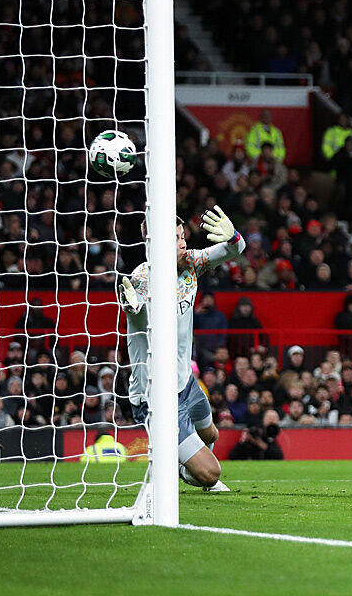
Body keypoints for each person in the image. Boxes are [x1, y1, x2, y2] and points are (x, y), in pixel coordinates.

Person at [118, 208, 244, 492]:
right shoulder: (141, 279)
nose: (183, 242)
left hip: (185, 382)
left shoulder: (189, 264)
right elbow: (137, 315)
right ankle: (186, 468)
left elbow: (235, 250)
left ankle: (184, 463)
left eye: (182, 235)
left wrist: (233, 238)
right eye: (175, 238)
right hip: (156, 395)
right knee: (211, 474)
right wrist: (131, 309)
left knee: (211, 432)